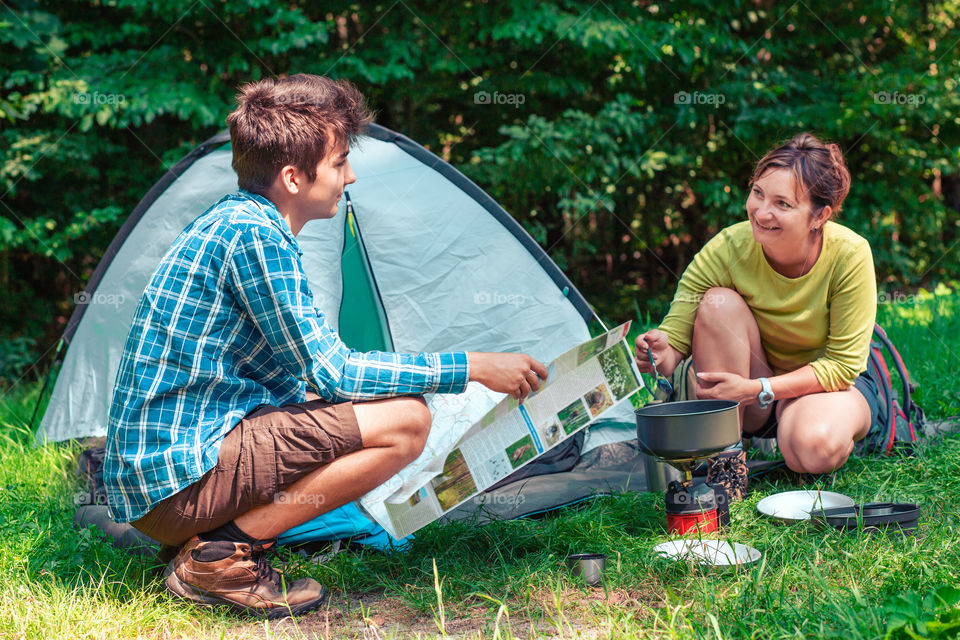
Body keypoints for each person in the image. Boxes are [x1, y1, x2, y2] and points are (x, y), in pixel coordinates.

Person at [103, 74, 548, 619]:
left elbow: (308, 375)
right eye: (339, 162)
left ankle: (211, 543)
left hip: (166, 475)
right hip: (175, 482)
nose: (350, 175)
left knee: (371, 411)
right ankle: (220, 556)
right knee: (405, 424)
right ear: (293, 176)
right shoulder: (255, 236)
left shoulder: (238, 221)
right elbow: (334, 371)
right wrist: (472, 367)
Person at [635, 133, 881, 500]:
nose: (762, 212)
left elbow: (844, 365)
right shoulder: (728, 247)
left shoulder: (849, 255)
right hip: (752, 392)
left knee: (811, 447)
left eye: (782, 203)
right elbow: (676, 338)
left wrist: (759, 390)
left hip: (827, 388)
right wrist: (659, 351)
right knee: (718, 302)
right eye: (758, 193)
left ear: (820, 216)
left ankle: (818, 428)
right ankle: (726, 470)